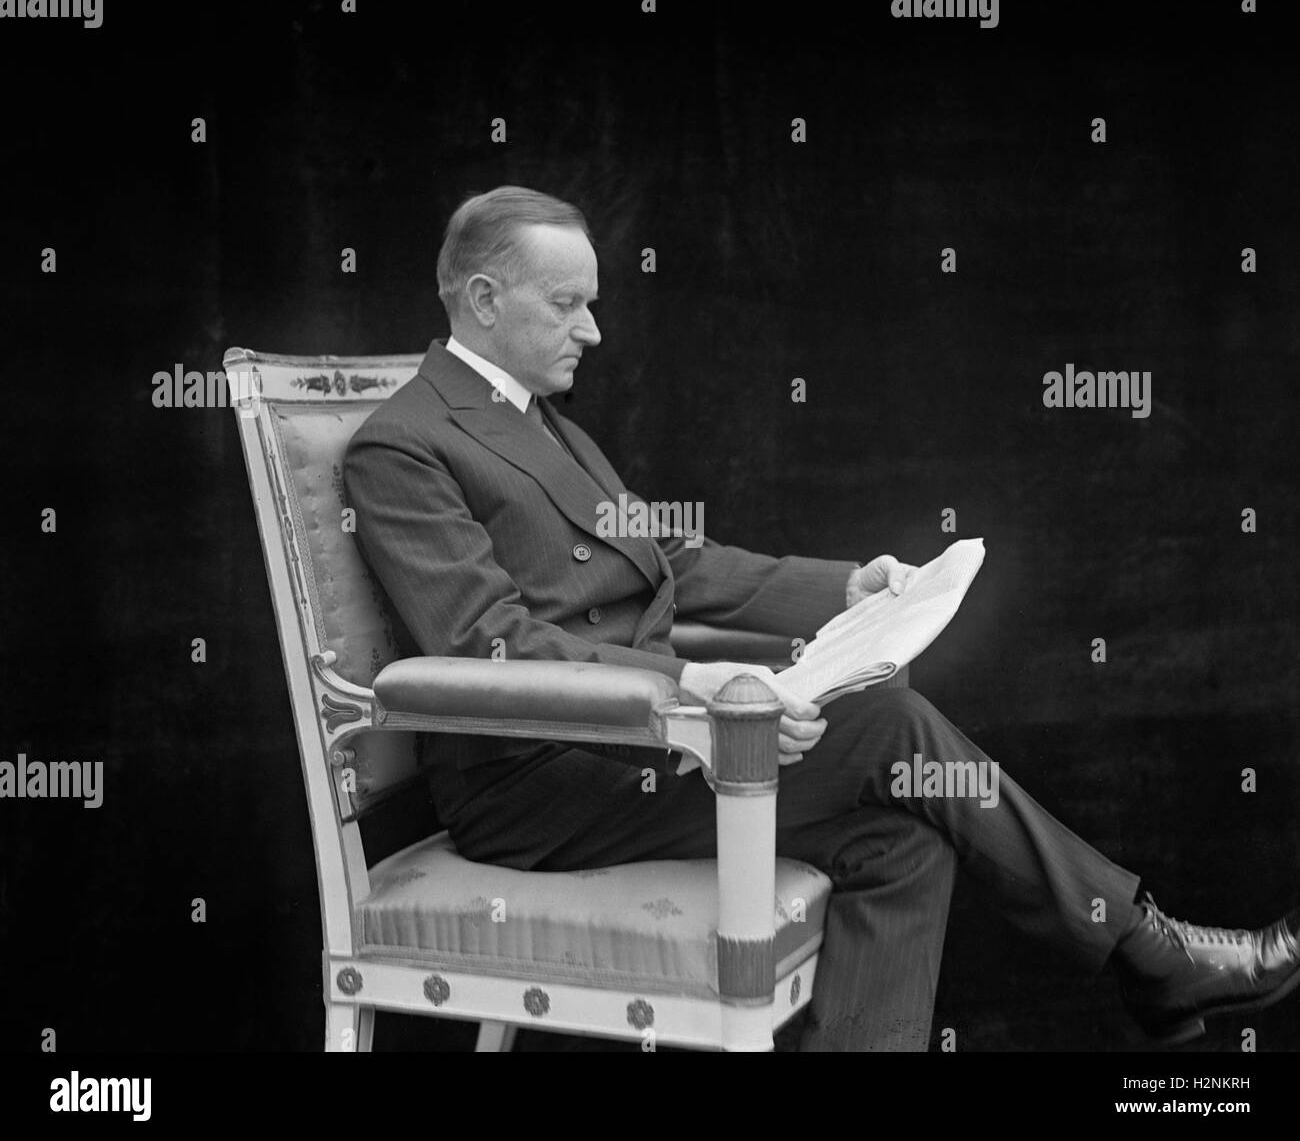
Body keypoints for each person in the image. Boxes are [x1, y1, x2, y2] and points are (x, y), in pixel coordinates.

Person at [343, 185, 1299, 1051]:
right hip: (541, 777)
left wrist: (845, 590)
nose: (593, 330)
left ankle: (1147, 957)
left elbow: (668, 555)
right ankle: (1148, 948)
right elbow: (486, 644)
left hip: (639, 745)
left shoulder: (542, 420)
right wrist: (695, 687)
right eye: (567, 305)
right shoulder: (404, 444)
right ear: (481, 299)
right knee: (889, 724)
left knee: (903, 844)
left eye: (591, 302)